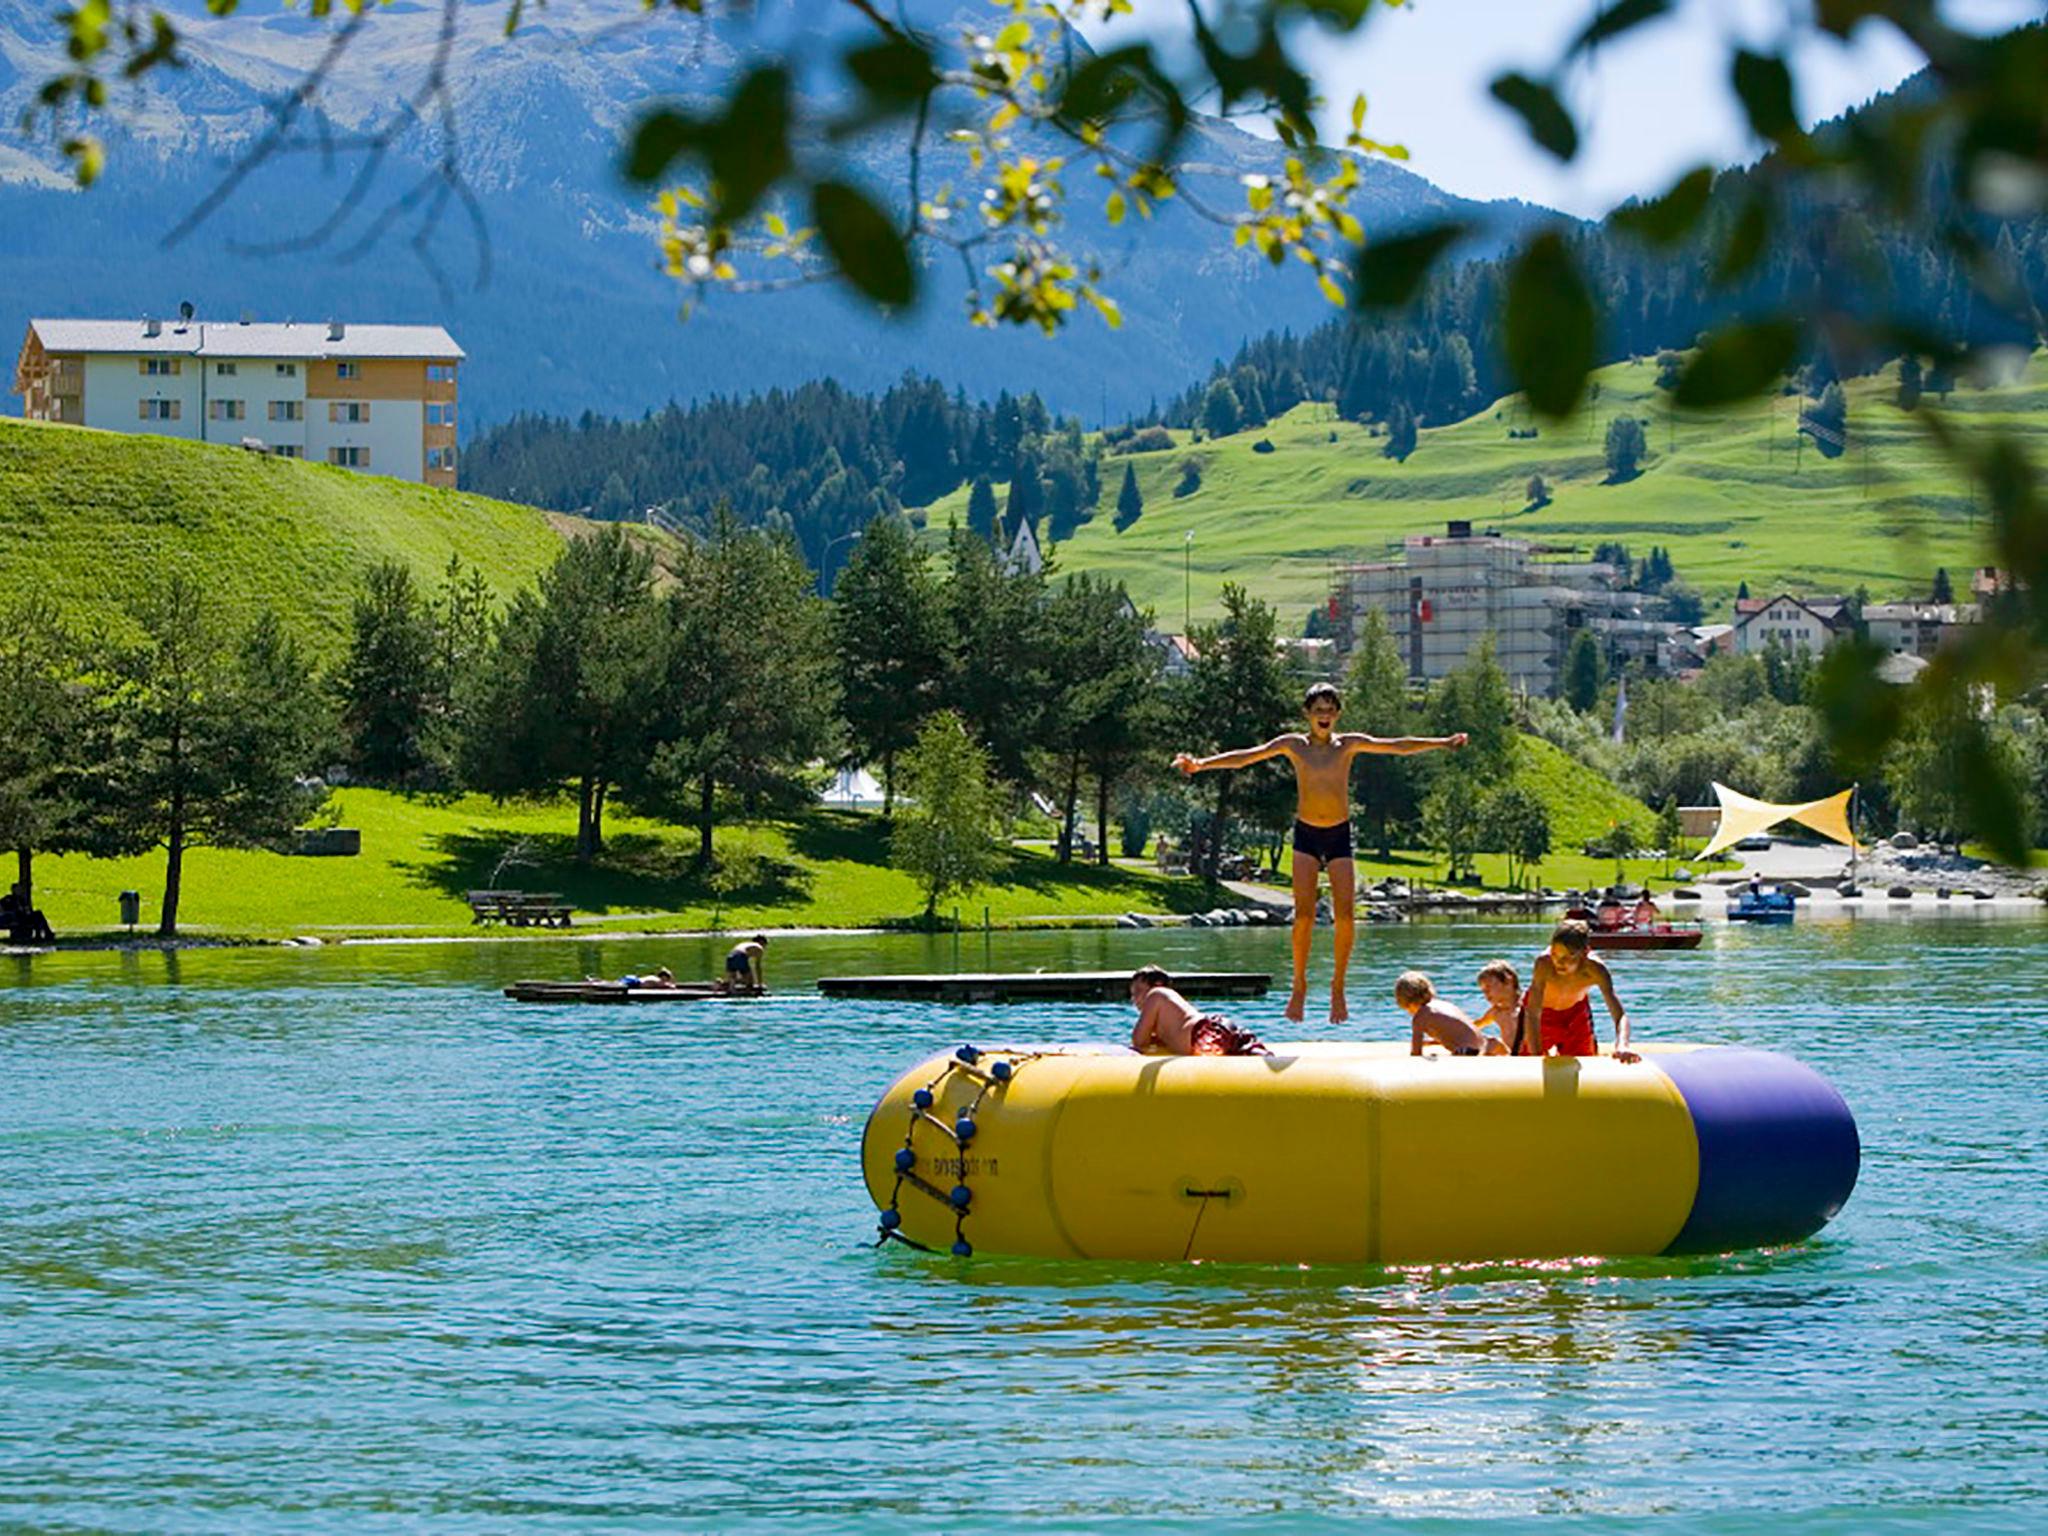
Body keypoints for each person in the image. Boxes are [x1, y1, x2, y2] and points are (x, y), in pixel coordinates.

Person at [1173, 681, 1465, 1023]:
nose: (1324, 716)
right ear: (1307, 715)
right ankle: (1299, 985)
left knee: (1345, 916)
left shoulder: (1349, 745)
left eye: (1329, 710)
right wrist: (1201, 764)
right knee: (1304, 916)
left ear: (1337, 714)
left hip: (1339, 835)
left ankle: (1337, 986)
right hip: (1307, 835)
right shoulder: (1294, 746)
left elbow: (1396, 747)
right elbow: (1246, 757)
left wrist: (1442, 743)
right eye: (1318, 711)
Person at [1517, 919, 1640, 1062]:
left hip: (1576, 1015)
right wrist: (1536, 1055)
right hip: (1542, 1015)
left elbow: (1619, 1015)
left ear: (1585, 952)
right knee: (1527, 1059)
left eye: (1568, 956)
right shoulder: (1544, 964)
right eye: (1555, 954)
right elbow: (1533, 1013)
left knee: (1585, 1063)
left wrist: (1622, 1045)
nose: (1560, 962)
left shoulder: (1595, 970)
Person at [1129, 965, 1270, 1056]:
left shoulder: (1157, 994)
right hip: (1212, 1031)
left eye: (1138, 991)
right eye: (1132, 994)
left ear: (1157, 985)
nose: (1134, 998)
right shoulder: (1165, 1017)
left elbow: (1138, 1041)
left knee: (1244, 1053)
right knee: (1243, 1051)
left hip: (1205, 1033)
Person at [1395, 971, 1506, 1057]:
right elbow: (1458, 1031)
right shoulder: (1444, 1005)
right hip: (1488, 1044)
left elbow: (1416, 1054)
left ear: (1406, 1003)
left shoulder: (1420, 1017)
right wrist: (1434, 1043)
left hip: (1468, 1052)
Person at [1473, 958, 1523, 1049]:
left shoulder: (1528, 1008)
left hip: (1530, 1055)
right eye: (1483, 991)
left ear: (1508, 982)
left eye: (1488, 987)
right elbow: (1475, 1026)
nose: (1486, 993)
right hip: (1509, 1055)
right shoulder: (1496, 1012)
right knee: (1491, 1043)